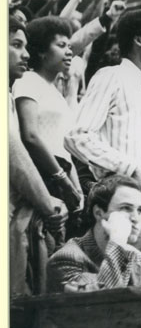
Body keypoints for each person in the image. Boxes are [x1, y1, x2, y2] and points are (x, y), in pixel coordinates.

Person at [64, 9, 141, 264]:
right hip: (117, 202)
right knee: (111, 286)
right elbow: (77, 136)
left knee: (137, 287)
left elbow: (139, 156)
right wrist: (131, 169)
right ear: (138, 40)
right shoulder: (111, 76)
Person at [9, 15, 68, 297]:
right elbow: (18, 150)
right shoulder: (26, 84)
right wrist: (49, 201)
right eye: (16, 45)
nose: (26, 53)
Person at [12, 16, 84, 225]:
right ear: (42, 51)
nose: (69, 51)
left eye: (70, 45)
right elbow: (30, 135)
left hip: (60, 174)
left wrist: (76, 187)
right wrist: (62, 178)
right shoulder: (29, 80)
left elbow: (64, 147)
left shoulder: (54, 92)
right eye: (61, 45)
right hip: (43, 174)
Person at [47, 175, 141, 293]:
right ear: (98, 212)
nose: (136, 218)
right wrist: (117, 241)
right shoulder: (66, 259)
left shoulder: (140, 261)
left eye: (140, 210)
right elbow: (103, 303)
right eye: (126, 208)